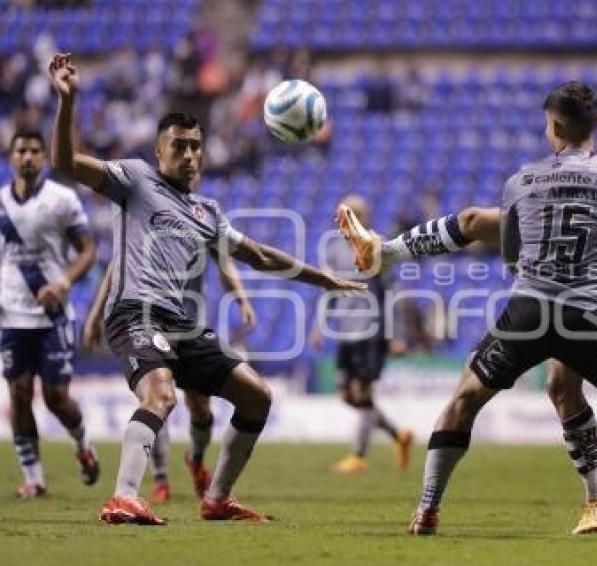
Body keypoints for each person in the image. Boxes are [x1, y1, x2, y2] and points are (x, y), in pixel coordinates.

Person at [338, 79, 597, 539]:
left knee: (474, 224)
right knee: (563, 386)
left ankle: (384, 253)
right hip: (593, 245)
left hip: (596, 262)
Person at [48, 52, 365, 525]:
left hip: (179, 321)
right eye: (179, 146)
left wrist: (321, 279)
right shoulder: (135, 179)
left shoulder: (206, 212)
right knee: (161, 395)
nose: (191, 155)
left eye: (196, 146)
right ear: (159, 152)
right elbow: (66, 162)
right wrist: (68, 101)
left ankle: (217, 499)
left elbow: (257, 254)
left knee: (256, 395)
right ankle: (123, 496)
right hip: (134, 314)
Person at [83, 247, 257, 503]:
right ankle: (161, 479)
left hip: (189, 323)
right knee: (155, 398)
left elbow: (225, 262)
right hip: (149, 319)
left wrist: (241, 298)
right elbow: (117, 264)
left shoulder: (200, 217)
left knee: (200, 406)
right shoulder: (146, 219)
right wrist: (96, 313)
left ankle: (196, 460)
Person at [0, 128, 100, 498]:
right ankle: (34, 477)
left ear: (43, 157)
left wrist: (62, 283)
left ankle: (82, 444)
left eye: (34, 151)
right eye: (21, 151)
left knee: (56, 397)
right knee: (19, 392)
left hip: (53, 315)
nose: (27, 157)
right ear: (11, 157)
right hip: (11, 315)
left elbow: (88, 251)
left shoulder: (63, 200)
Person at [310, 195, 413, 475]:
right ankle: (397, 434)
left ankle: (358, 456)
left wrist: (396, 335)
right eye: (342, 214)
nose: (346, 219)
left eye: (353, 213)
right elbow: (328, 289)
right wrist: (319, 326)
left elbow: (393, 294)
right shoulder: (333, 249)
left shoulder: (377, 247)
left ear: (363, 217)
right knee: (347, 395)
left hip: (372, 329)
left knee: (363, 392)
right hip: (345, 330)